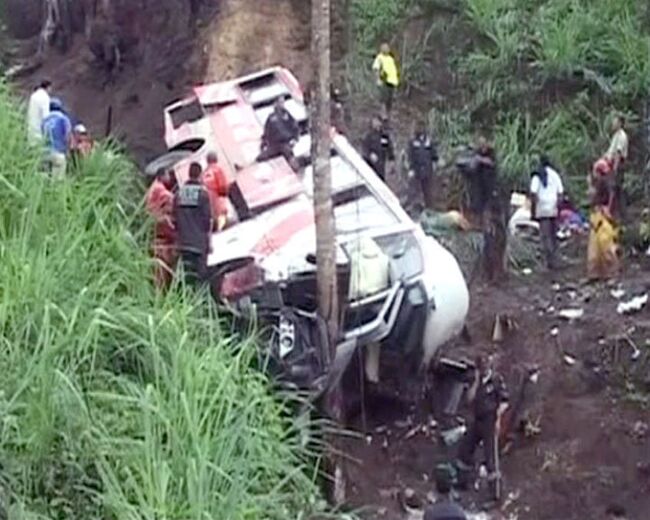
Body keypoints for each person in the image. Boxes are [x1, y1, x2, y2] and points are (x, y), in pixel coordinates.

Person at [457, 355, 509, 502]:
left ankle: (495, 494)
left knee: (490, 457)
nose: (484, 368)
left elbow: (505, 401)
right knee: (465, 448)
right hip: (477, 419)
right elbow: (469, 400)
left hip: (490, 419)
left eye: (485, 366)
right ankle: (462, 483)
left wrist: (498, 418)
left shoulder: (497, 380)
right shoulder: (475, 381)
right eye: (481, 366)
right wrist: (476, 380)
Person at [173, 162, 213, 284]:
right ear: (200, 174)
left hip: (182, 243)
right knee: (199, 279)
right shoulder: (203, 194)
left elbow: (174, 218)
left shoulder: (178, 194)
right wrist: (209, 243)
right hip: (198, 244)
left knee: (184, 278)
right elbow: (207, 221)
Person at [529, 156, 564, 269]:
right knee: (553, 236)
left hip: (542, 209)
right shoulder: (555, 175)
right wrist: (558, 208)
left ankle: (549, 262)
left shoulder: (537, 176)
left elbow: (533, 194)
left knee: (545, 236)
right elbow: (560, 193)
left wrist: (533, 210)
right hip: (553, 207)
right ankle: (556, 260)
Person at [146, 168, 177, 289]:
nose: (169, 177)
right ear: (162, 176)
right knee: (161, 271)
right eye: (168, 175)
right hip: (160, 235)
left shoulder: (153, 188)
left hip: (155, 231)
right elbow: (173, 200)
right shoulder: (160, 190)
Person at [258, 97, 299, 168]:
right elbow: (266, 131)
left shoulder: (287, 115)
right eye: (280, 102)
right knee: (261, 157)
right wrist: (263, 143)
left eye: (283, 102)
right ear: (275, 104)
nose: (282, 104)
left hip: (285, 144)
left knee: (290, 158)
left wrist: (295, 139)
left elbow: (295, 127)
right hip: (274, 146)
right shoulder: (271, 117)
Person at [408, 121, 439, 209]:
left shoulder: (429, 141)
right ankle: (416, 210)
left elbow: (434, 155)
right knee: (415, 193)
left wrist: (434, 165)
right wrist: (411, 169)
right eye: (418, 127)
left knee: (428, 193)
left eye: (421, 127)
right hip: (416, 171)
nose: (419, 129)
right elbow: (410, 156)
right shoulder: (412, 141)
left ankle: (430, 210)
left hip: (427, 171)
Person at [604, 115, 629, 218]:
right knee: (616, 189)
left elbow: (618, 153)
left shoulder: (622, 136)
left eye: (615, 122)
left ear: (619, 123)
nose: (613, 124)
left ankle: (618, 213)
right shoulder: (616, 135)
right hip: (611, 162)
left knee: (615, 188)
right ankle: (620, 213)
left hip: (617, 164)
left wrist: (615, 167)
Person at [41, 98, 72, 178]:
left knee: (45, 180)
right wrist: (67, 151)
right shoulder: (63, 119)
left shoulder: (44, 120)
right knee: (57, 182)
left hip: (44, 153)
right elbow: (67, 136)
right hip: (58, 153)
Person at [362, 116, 394, 182]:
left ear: (380, 123)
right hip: (370, 165)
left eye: (377, 122)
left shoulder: (383, 136)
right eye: (374, 122)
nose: (375, 124)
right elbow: (365, 148)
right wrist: (370, 154)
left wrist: (391, 160)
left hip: (381, 165)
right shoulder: (369, 136)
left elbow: (388, 148)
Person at [203, 151, 229, 231]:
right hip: (216, 193)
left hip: (206, 194)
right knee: (221, 211)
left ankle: (214, 227)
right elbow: (222, 183)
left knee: (213, 212)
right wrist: (224, 193)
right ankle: (221, 227)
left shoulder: (205, 172)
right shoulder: (217, 169)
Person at [372, 43, 400, 116]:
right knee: (384, 98)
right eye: (384, 48)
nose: (386, 49)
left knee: (390, 99)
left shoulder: (390, 58)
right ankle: (383, 113)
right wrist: (377, 79)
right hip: (384, 80)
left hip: (392, 82)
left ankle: (388, 114)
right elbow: (376, 69)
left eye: (387, 48)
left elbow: (393, 70)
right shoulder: (379, 58)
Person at [27, 80, 52, 145]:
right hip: (40, 131)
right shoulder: (45, 97)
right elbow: (46, 116)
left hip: (31, 128)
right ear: (48, 87)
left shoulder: (33, 96)